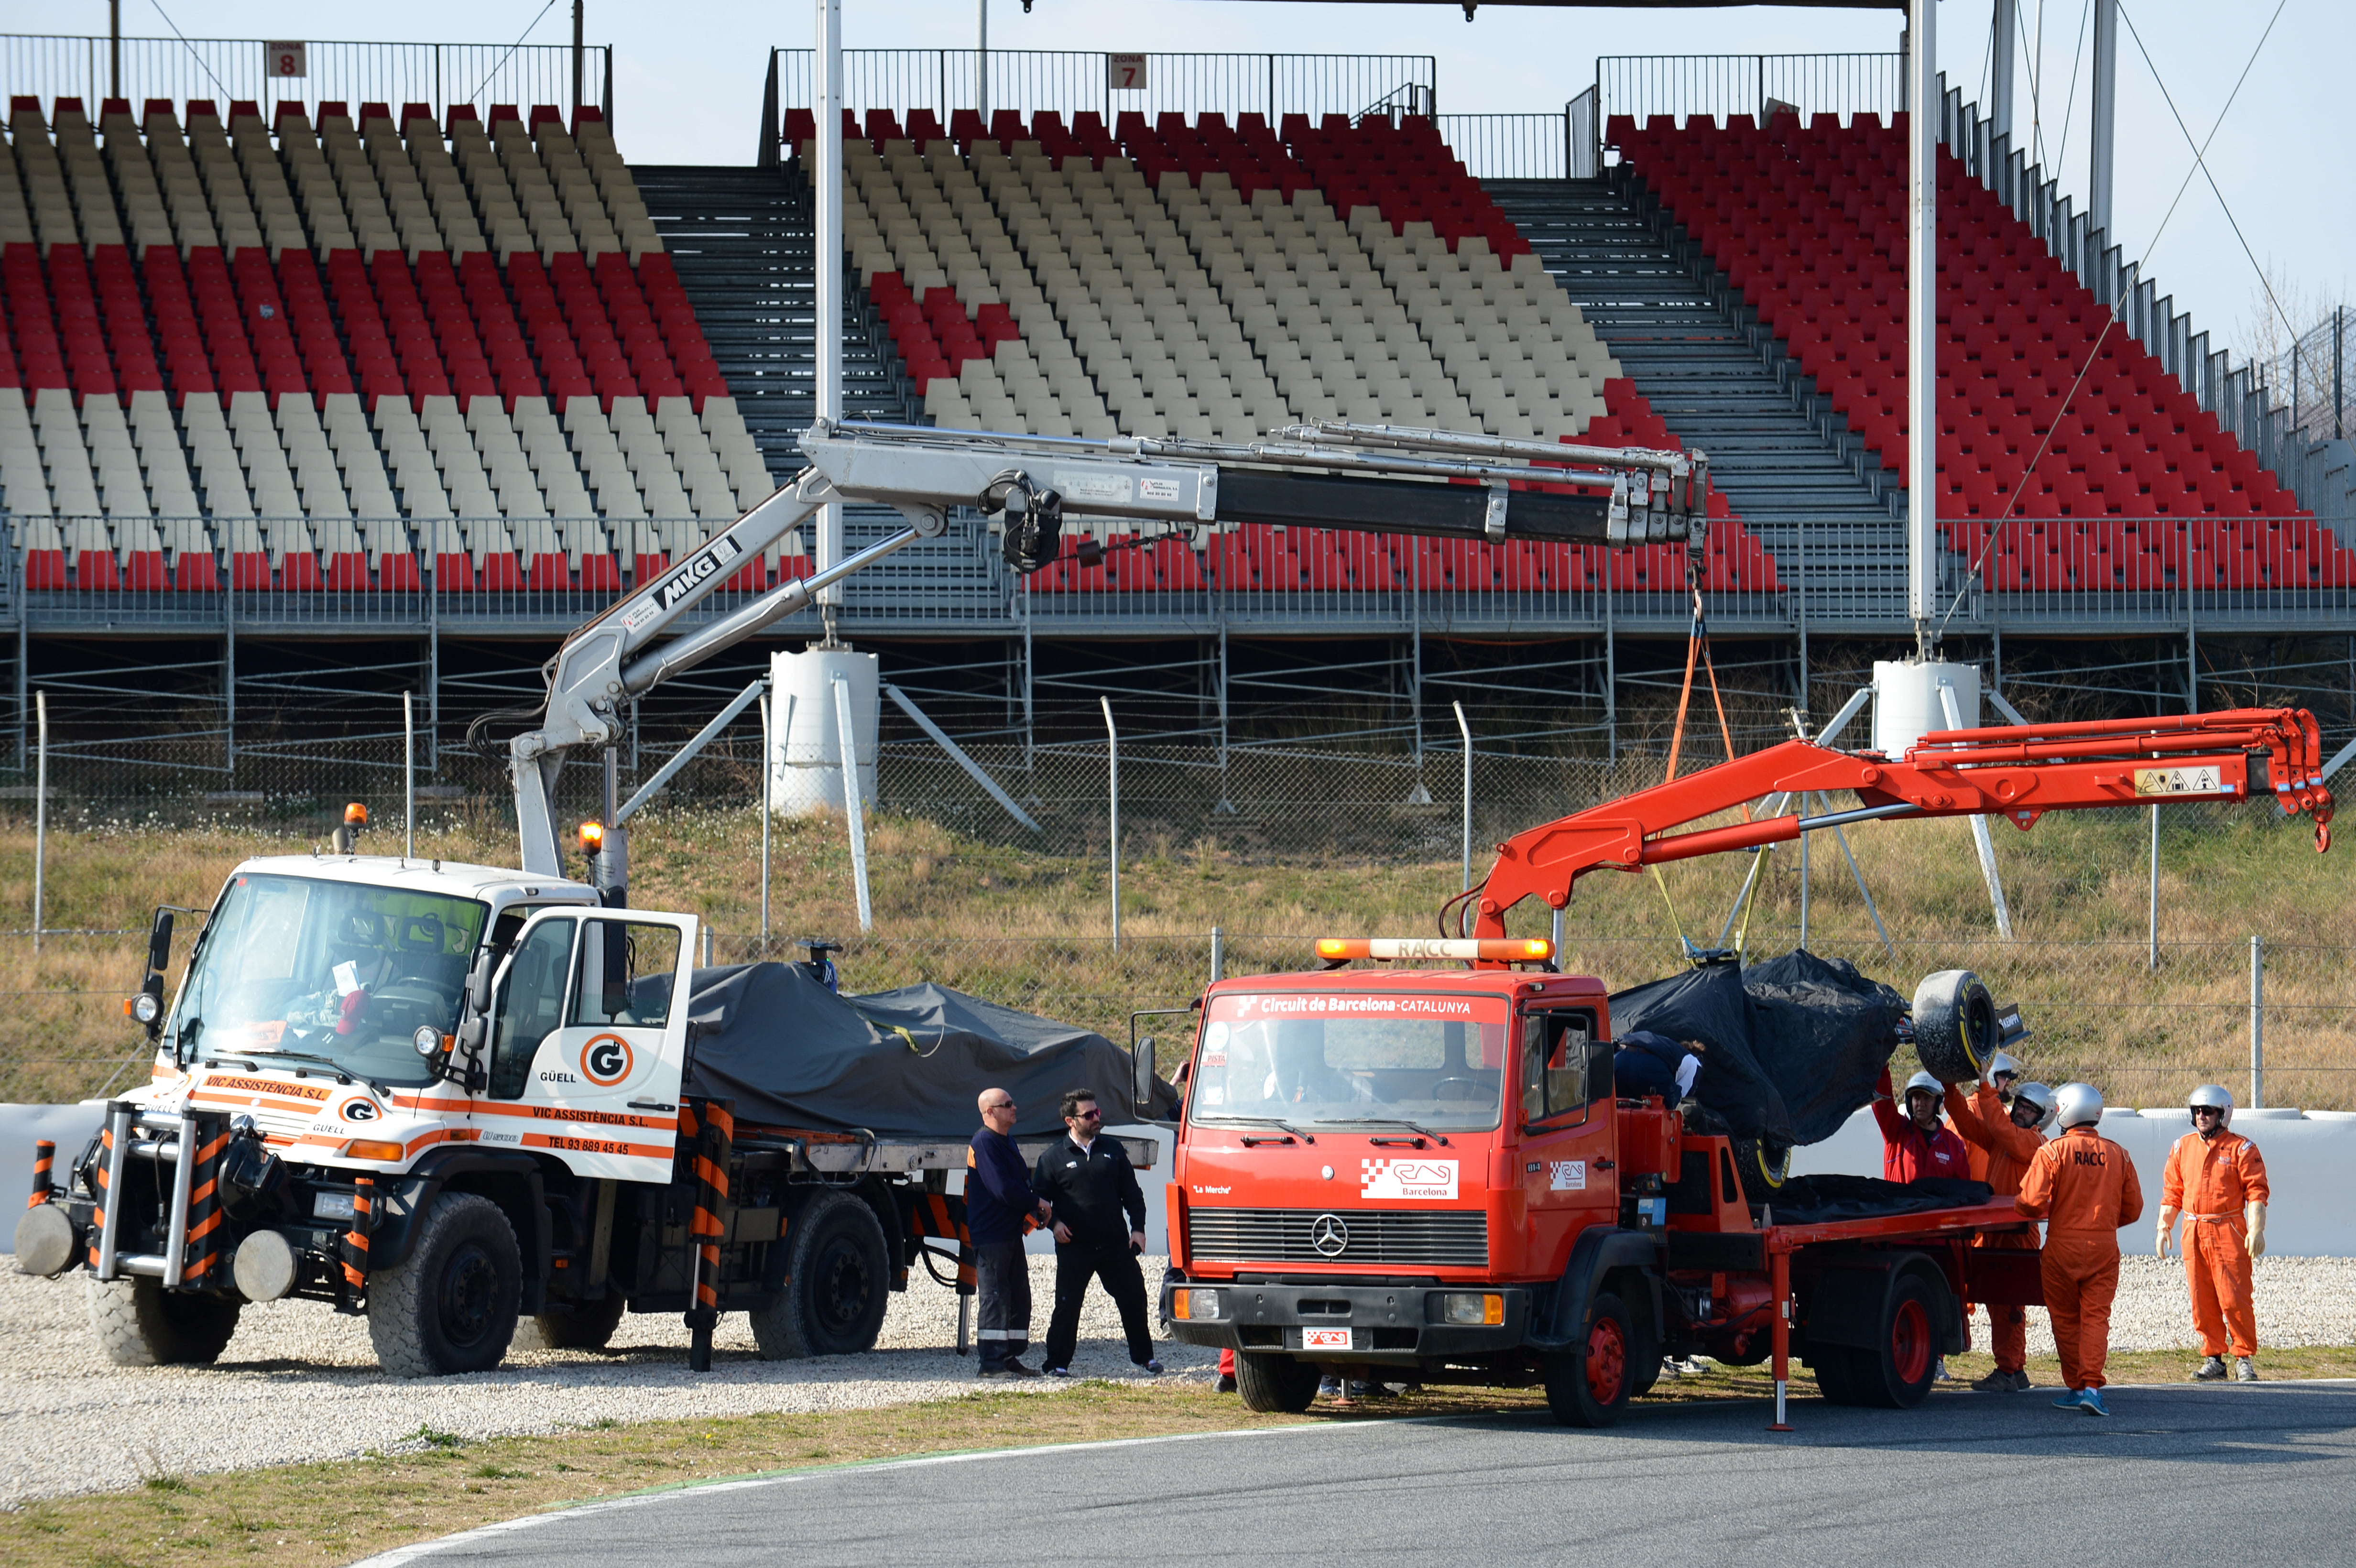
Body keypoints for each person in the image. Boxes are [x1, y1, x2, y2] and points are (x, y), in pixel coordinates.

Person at [2015, 1082, 2144, 1416]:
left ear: (2066, 1112)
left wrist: (2022, 1205)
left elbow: (2030, 1202)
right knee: (2096, 1318)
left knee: (2066, 1319)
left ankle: (2076, 1384)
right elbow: (2134, 1209)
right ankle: (2091, 1387)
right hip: (2104, 1246)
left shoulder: (2053, 1151)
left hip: (2062, 1246)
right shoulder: (2118, 1153)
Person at [1032, 1089, 1162, 1378]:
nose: (1096, 1119)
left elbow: (1132, 1193)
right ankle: (1057, 1364)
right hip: (1075, 1246)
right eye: (1088, 1115)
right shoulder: (1053, 1158)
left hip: (1115, 1245)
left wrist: (1138, 1229)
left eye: (1098, 1113)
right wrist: (1054, 1226)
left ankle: (1145, 1358)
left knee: (1134, 1297)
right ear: (1070, 1120)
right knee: (1067, 1305)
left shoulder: (1113, 1150)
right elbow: (1038, 1202)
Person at [1945, 1077, 2056, 1393]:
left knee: (2008, 1304)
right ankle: (2014, 1369)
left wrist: (1986, 1088)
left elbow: (1999, 1128)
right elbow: (1967, 1124)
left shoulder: (2035, 1143)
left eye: (2029, 1109)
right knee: (1999, 1301)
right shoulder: (2003, 1139)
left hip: (2018, 1233)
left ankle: (2009, 1369)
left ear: (2041, 1117)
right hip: (1999, 1229)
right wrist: (1949, 1089)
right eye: (2020, 1106)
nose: (2022, 1112)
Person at [2157, 1083, 2271, 1383]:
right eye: (2197, 1111)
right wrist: (2164, 1226)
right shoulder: (2182, 1147)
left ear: (2223, 1114)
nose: (2201, 1116)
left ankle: (2243, 1357)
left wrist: (2257, 1228)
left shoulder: (2242, 1148)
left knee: (2234, 1297)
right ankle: (2213, 1358)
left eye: (2208, 1111)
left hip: (2228, 1229)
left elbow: (2256, 1191)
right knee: (2201, 1297)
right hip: (2193, 1229)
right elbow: (2172, 1193)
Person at [967, 1087, 1053, 1378]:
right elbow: (1002, 1189)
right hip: (991, 1236)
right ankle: (990, 1364)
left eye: (1013, 1103)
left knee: (1018, 1297)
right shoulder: (984, 1143)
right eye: (1007, 1105)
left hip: (1010, 1233)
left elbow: (1018, 1184)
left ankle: (1009, 1357)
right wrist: (1035, 1202)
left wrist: (1033, 1208)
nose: (1014, 1108)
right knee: (995, 1297)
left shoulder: (1006, 1141)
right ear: (990, 1112)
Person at [1872, 1066, 1974, 1182]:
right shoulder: (1895, 1131)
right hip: (1900, 1201)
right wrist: (1881, 1064)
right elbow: (1882, 1099)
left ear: (1938, 1102)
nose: (1921, 1103)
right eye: (1917, 1098)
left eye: (1927, 1098)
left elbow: (1963, 1191)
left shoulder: (1954, 1145)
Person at [1959, 1052, 2026, 1184]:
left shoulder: (2002, 1112)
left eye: (2009, 1079)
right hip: (1975, 1198)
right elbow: (1955, 1157)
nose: (2008, 1083)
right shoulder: (1970, 1109)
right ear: (1989, 1077)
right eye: (2005, 1078)